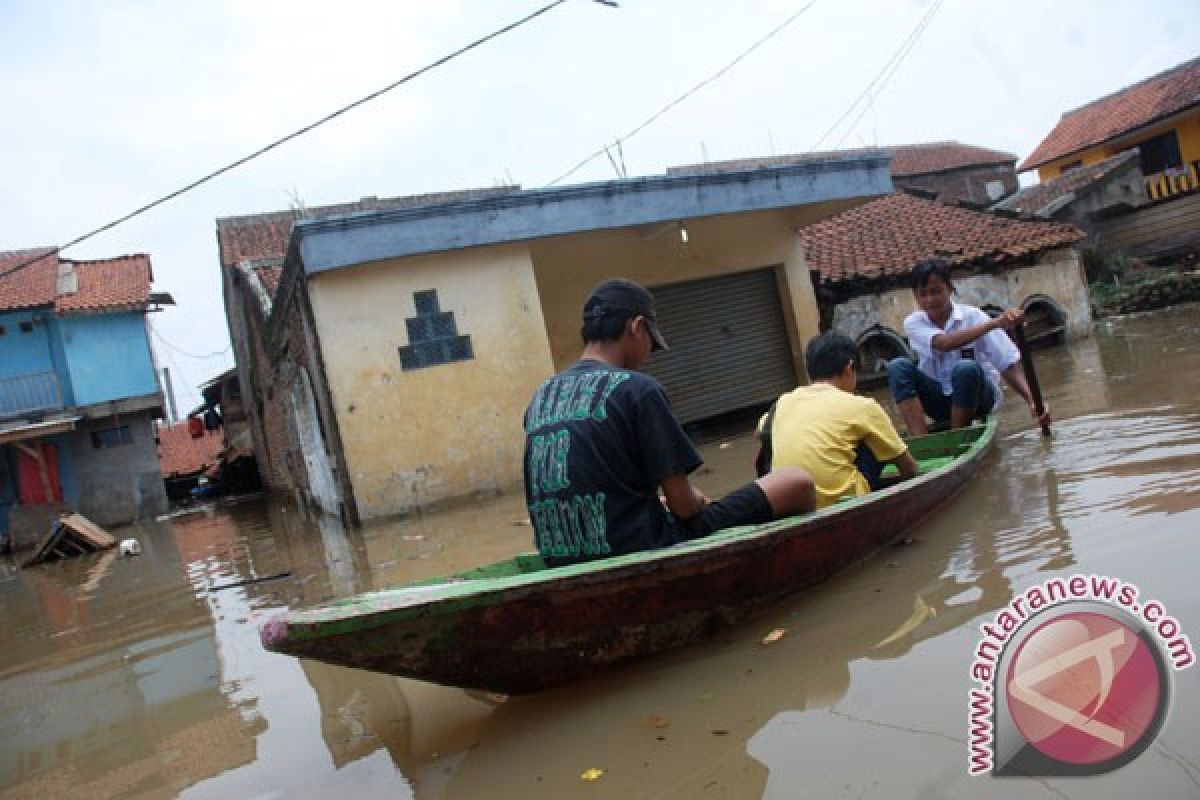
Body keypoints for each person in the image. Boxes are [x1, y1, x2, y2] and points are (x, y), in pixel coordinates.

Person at [523, 278, 816, 566]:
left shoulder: (541, 395)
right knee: (795, 482)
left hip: (559, 557)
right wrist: (697, 500)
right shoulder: (638, 389)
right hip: (638, 547)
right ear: (636, 327)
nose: (649, 354)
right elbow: (685, 508)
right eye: (651, 341)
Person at [887, 260, 1052, 436]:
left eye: (936, 292)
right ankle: (921, 440)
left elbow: (1007, 365)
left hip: (979, 399)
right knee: (898, 366)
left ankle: (958, 437)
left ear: (950, 289)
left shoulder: (974, 317)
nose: (930, 300)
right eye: (923, 294)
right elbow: (944, 343)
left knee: (966, 368)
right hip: (939, 401)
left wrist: (1033, 401)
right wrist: (994, 323)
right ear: (915, 296)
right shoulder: (914, 322)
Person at [757, 332, 918, 509]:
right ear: (850, 367)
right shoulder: (862, 406)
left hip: (786, 504)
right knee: (873, 438)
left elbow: (760, 432)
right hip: (842, 502)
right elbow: (908, 468)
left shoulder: (784, 402)